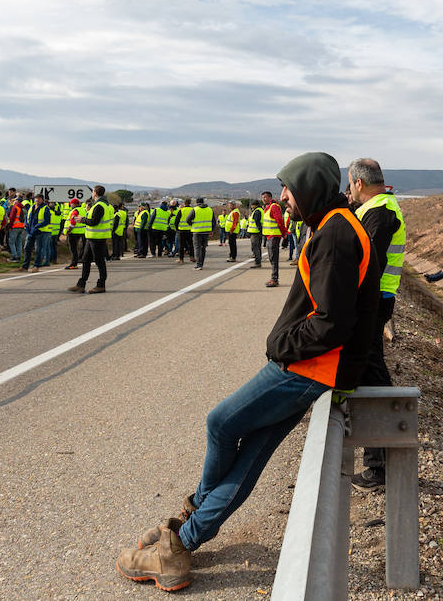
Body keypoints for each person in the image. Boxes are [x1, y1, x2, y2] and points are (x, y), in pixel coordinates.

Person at [115, 152, 378, 592]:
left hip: (308, 367)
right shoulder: (334, 226)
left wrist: (281, 347)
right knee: (252, 451)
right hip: (319, 368)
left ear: (309, 187)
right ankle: (184, 540)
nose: (284, 198)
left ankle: (189, 524)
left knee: (220, 422)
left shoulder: (334, 235)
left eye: (289, 189)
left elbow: (332, 323)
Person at [346, 157, 406, 492]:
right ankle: (380, 458)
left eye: (349, 185)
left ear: (357, 183)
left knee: (370, 372)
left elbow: (370, 263)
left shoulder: (380, 213)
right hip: (377, 299)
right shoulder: (381, 207)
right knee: (370, 369)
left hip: (374, 300)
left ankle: (379, 464)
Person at [68, 186, 112, 294]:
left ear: (95, 193)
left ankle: (101, 285)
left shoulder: (99, 206)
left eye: (93, 191)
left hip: (97, 238)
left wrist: (82, 219)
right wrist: (84, 218)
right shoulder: (99, 204)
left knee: (99, 261)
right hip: (92, 237)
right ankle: (81, 284)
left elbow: (94, 222)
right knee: (85, 260)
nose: (92, 193)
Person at [260, 190, 287, 287]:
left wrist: (284, 234)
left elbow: (280, 221)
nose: (263, 199)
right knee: (272, 258)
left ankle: (274, 279)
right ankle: (274, 277)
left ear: (270, 198)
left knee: (274, 258)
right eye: (262, 197)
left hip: (274, 236)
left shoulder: (274, 207)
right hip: (269, 236)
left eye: (265, 197)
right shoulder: (266, 208)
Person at [21, 193, 54, 271]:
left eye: (39, 198)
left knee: (38, 249)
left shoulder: (45, 208)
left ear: (42, 200)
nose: (37, 200)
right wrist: (25, 224)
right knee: (27, 248)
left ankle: (36, 266)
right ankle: (25, 266)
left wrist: (37, 226)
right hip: (30, 231)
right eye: (36, 198)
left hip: (39, 231)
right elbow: (27, 217)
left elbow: (47, 221)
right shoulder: (32, 207)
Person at [189, 197, 213, 269]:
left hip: (197, 231)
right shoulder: (209, 209)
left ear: (197, 203)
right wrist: (211, 230)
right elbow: (213, 221)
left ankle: (198, 265)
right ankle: (201, 264)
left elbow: (188, 219)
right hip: (206, 232)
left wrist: (192, 224)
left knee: (197, 248)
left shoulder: (195, 209)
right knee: (203, 248)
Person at [63, 198, 86, 269]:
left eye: (71, 204)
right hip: (82, 231)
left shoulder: (75, 211)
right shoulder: (83, 210)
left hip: (73, 232)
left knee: (73, 249)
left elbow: (73, 222)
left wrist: (68, 231)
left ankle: (74, 264)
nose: (70, 205)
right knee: (81, 248)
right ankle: (83, 261)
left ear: (75, 204)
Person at [246, 197, 264, 268]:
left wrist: (259, 231)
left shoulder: (257, 211)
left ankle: (257, 262)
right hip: (257, 232)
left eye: (252, 205)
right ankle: (258, 261)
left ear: (255, 205)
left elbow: (257, 222)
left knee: (255, 247)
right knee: (258, 247)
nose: (251, 206)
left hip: (255, 232)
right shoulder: (259, 210)